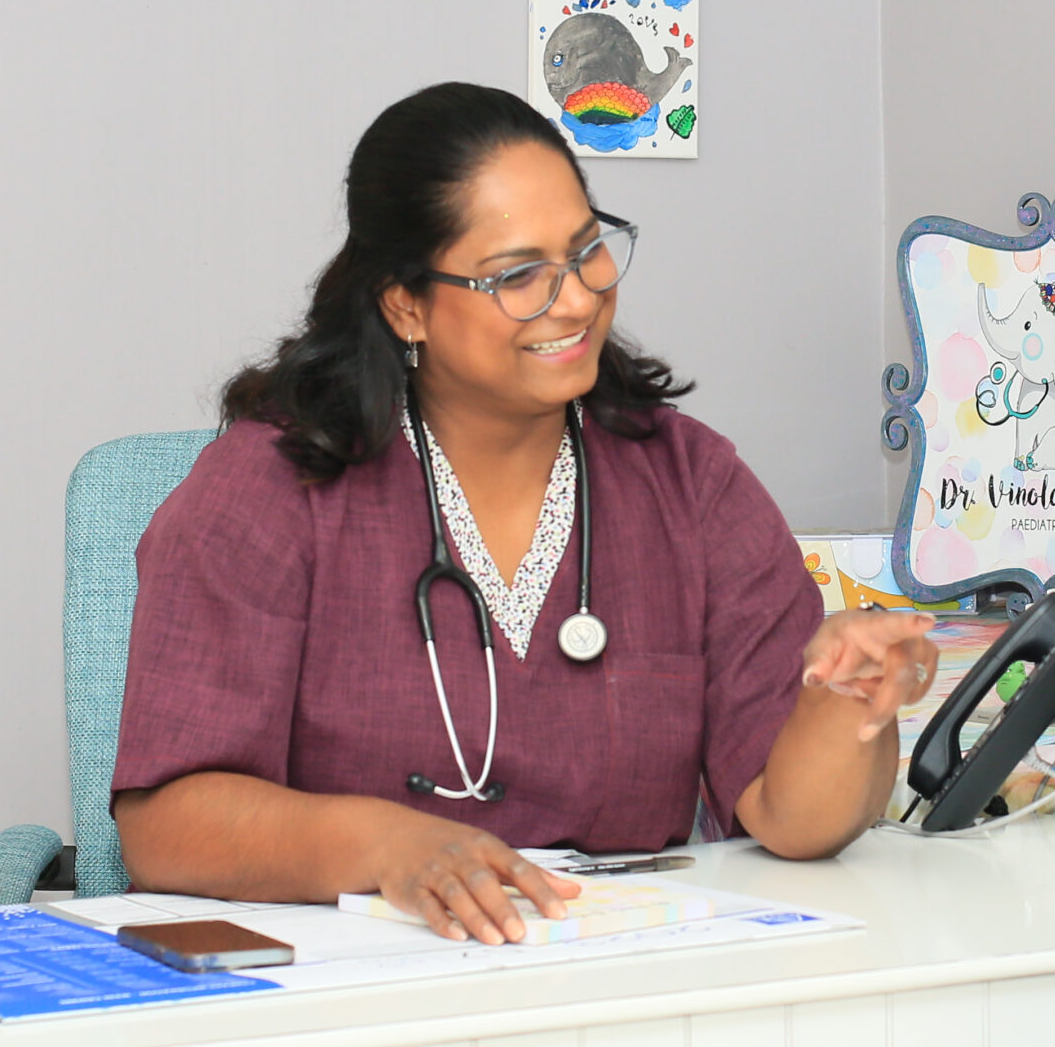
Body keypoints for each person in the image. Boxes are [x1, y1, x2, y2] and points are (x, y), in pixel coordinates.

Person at [113, 83, 937, 945]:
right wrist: (389, 843)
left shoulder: (690, 483)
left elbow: (794, 819)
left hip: (611, 986)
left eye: (585, 249)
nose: (576, 298)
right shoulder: (268, 489)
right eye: (518, 275)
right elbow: (166, 820)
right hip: (353, 995)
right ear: (405, 305)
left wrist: (849, 702)